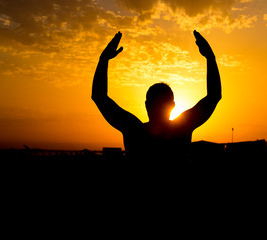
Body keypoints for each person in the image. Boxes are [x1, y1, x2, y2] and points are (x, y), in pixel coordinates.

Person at [92, 30, 221, 164]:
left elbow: (99, 97)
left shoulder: (134, 130)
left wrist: (103, 60)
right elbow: (213, 96)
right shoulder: (181, 128)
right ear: (173, 106)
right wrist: (210, 58)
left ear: (146, 105)